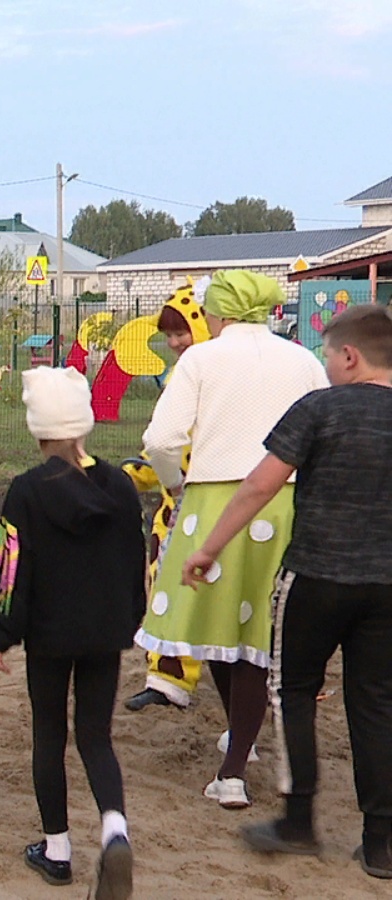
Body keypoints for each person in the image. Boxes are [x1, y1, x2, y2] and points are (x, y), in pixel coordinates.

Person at [181, 305, 392, 880]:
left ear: (350, 357)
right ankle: (381, 841)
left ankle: (298, 819)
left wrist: (209, 548)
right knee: (375, 702)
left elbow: (258, 486)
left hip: (316, 578)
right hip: (387, 586)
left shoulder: (319, 410)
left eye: (328, 356)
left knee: (292, 690)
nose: (326, 366)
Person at [136, 270, 328, 810]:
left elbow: (161, 439)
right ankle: (240, 741)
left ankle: (234, 768)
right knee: (255, 632)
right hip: (285, 502)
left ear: (217, 314)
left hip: (216, 502)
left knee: (224, 629)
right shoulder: (302, 358)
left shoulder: (202, 359)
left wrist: (176, 483)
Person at [0, 367, 143, 899]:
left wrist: (3, 632)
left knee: (49, 734)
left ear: (38, 432)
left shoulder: (26, 492)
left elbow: (11, 569)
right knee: (96, 735)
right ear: (85, 425)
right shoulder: (122, 486)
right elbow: (135, 558)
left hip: (49, 634)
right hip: (106, 630)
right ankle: (114, 829)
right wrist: (132, 617)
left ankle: (56, 849)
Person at [120, 284, 212, 712]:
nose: (175, 343)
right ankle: (168, 676)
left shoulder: (207, 371)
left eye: (182, 332)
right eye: (169, 335)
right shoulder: (183, 372)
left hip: (211, 494)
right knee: (167, 585)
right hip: (178, 501)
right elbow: (163, 443)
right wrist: (133, 475)